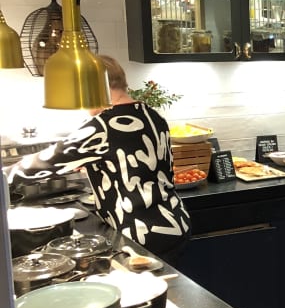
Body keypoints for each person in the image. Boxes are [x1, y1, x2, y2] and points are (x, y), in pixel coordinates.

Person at [5, 55, 191, 264]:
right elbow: (139, 165)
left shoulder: (101, 126)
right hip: (175, 223)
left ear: (93, 88)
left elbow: (42, 163)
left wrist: (4, 176)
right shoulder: (152, 115)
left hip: (140, 235)